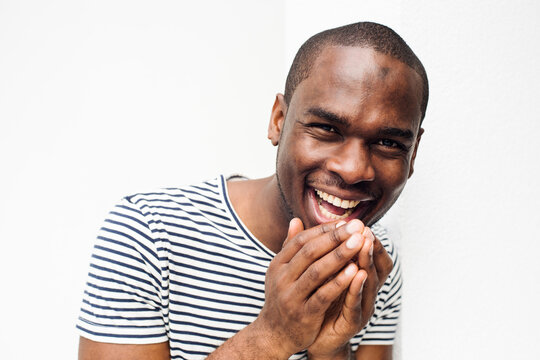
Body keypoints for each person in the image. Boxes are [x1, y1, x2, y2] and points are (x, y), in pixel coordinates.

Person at [77, 21, 428, 360]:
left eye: (388, 142)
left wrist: (332, 350)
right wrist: (273, 335)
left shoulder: (377, 263)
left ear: (412, 156)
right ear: (278, 120)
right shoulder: (148, 235)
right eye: (326, 128)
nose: (352, 170)